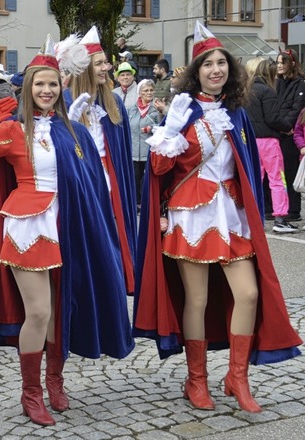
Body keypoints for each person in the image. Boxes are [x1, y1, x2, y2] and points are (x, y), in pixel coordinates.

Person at [0, 34, 134, 426]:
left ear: (61, 86)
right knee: (37, 312)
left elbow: (93, 182)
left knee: (59, 310)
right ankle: (30, 392)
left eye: (53, 84)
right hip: (28, 225)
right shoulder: (12, 130)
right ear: (28, 88)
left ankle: (55, 380)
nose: (47, 90)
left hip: (67, 223)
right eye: (40, 84)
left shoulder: (73, 131)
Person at [133, 22, 302, 414]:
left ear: (230, 69)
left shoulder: (236, 112)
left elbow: (244, 168)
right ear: (196, 72)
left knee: (248, 293)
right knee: (198, 298)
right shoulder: (183, 110)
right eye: (207, 64)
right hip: (191, 214)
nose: (215, 69)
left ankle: (236, 377)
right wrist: (172, 129)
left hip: (231, 214)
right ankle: (196, 380)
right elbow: (158, 169)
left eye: (221, 63)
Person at [66, 26, 138, 296]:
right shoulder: (66, 103)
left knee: (112, 238)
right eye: (99, 63)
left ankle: (114, 287)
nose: (106, 67)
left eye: (106, 62)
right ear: (85, 68)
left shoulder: (114, 104)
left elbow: (120, 152)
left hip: (109, 184)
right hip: (82, 183)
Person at [245, 58, 297, 233]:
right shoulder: (267, 91)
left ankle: (251, 217)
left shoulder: (245, 91)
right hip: (269, 141)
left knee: (254, 180)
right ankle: (280, 219)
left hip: (251, 141)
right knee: (277, 180)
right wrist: (288, 127)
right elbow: (272, 118)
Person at [275, 49, 305, 221]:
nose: (279, 66)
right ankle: (284, 208)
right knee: (282, 172)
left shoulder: (300, 83)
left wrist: (285, 126)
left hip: (292, 133)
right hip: (281, 131)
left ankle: (294, 211)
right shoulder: (279, 82)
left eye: (282, 62)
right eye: (278, 62)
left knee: (292, 171)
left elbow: (297, 108)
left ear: (292, 63)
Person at [128, 79, 159, 207]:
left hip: (149, 150)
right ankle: (136, 203)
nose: (149, 93)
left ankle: (147, 202)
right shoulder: (131, 109)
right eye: (146, 90)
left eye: (151, 90)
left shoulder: (156, 108)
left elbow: (163, 127)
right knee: (135, 178)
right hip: (134, 150)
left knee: (147, 179)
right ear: (139, 93)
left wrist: (151, 129)